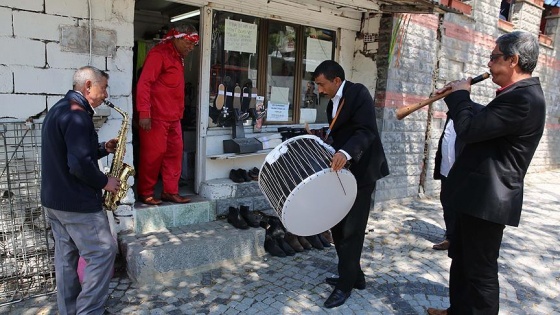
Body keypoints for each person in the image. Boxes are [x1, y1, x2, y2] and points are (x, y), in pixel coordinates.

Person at [427, 31, 545, 315]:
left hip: (488, 200)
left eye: (494, 58)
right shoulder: (516, 96)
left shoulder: (523, 98)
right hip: (474, 196)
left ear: (513, 60)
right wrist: (456, 99)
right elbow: (489, 122)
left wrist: (460, 97)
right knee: (462, 259)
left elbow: (469, 129)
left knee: (480, 271)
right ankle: (458, 310)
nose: (489, 65)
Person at [41, 66, 120, 315]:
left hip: (55, 201)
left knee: (66, 258)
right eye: (104, 87)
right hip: (77, 203)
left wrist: (102, 149)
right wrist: (104, 181)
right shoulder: (78, 116)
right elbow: (78, 165)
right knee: (103, 252)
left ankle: (70, 311)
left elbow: (73, 153)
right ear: (88, 86)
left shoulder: (58, 110)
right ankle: (89, 311)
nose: (106, 94)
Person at [313, 60, 389, 308]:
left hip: (363, 172)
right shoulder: (331, 102)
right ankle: (355, 276)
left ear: (336, 81)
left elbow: (366, 131)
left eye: (322, 84)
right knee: (337, 226)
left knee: (351, 230)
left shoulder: (359, 93)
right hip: (343, 173)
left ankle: (344, 286)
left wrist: (345, 152)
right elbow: (340, 132)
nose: (320, 90)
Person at [135, 24, 199, 205]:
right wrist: (144, 113)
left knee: (174, 154)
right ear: (177, 38)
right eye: (188, 43)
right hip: (155, 117)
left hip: (174, 117)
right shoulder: (159, 54)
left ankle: (170, 191)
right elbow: (144, 84)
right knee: (153, 155)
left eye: (193, 45)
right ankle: (145, 192)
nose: (191, 48)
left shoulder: (178, 57)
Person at [432, 117, 465, 251]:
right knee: (446, 203)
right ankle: (450, 237)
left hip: (461, 173)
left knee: (461, 206)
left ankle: (461, 239)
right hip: (446, 170)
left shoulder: (469, 116)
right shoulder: (450, 118)